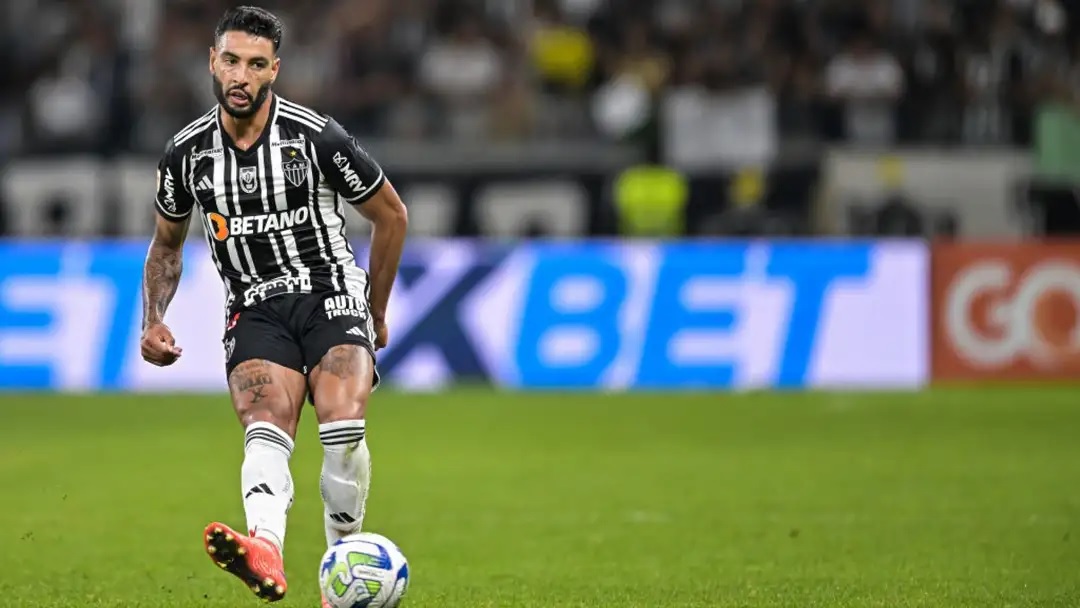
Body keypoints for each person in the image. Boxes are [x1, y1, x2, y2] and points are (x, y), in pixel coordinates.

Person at [138, 6, 408, 604]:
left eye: (255, 64)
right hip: (254, 308)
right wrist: (154, 318)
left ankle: (342, 558)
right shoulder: (186, 154)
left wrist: (377, 308)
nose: (240, 74)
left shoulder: (316, 137)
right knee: (265, 424)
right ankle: (265, 549)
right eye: (230, 60)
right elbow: (166, 244)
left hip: (330, 291)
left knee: (341, 421)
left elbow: (391, 214)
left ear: (274, 71)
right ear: (212, 60)